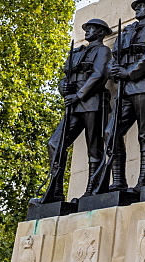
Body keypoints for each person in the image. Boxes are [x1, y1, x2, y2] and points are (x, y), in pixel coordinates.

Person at [43, 18, 112, 201]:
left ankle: (93, 187)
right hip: (73, 105)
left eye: (92, 28)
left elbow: (99, 75)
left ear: (101, 32)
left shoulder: (103, 51)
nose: (87, 31)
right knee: (54, 143)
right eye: (87, 28)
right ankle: (55, 190)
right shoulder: (77, 52)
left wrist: (79, 95)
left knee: (94, 148)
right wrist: (63, 87)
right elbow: (65, 76)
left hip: (92, 102)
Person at [107, 0, 145, 192]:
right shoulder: (126, 32)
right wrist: (113, 71)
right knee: (111, 133)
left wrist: (129, 72)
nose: (138, 9)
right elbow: (113, 57)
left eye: (142, 6)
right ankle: (119, 181)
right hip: (123, 89)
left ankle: (143, 182)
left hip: (143, 84)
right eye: (137, 5)